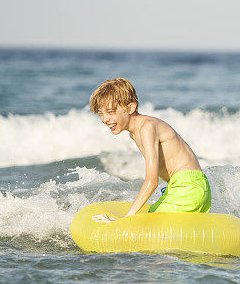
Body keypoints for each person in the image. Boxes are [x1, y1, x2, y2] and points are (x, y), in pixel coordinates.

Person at [88, 78, 211, 223]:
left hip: (188, 187)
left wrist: (125, 220)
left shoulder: (147, 127)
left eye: (110, 112)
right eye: (100, 113)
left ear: (131, 108)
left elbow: (152, 181)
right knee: (151, 216)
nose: (105, 119)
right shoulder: (134, 133)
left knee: (146, 223)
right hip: (188, 186)